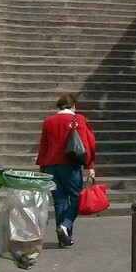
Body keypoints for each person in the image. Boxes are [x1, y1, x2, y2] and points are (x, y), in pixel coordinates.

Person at [36, 93, 97, 248]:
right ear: (74, 105)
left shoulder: (48, 121)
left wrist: (42, 167)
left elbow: (44, 145)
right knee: (77, 198)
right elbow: (86, 144)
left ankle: (64, 238)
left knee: (60, 200)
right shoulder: (78, 120)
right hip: (69, 166)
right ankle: (65, 225)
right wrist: (90, 166)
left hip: (51, 165)